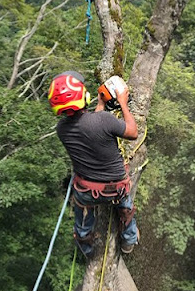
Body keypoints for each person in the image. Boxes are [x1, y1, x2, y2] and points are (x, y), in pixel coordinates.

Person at [48, 70, 139, 256]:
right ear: (82, 96)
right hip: (116, 189)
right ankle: (128, 241)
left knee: (81, 213)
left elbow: (91, 127)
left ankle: (86, 246)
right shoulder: (104, 120)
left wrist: (100, 104)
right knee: (126, 207)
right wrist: (122, 102)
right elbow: (132, 132)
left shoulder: (62, 129)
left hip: (87, 191)